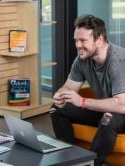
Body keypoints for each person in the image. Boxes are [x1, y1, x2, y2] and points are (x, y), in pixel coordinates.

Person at [50, 15, 125, 166]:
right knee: (57, 109)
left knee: (108, 119)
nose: (78, 45)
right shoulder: (82, 59)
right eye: (76, 40)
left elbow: (121, 105)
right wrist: (60, 96)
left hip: (121, 111)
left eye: (83, 40)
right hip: (105, 108)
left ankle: (92, 163)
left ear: (99, 39)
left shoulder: (118, 60)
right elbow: (69, 87)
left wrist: (82, 102)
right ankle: (70, 160)